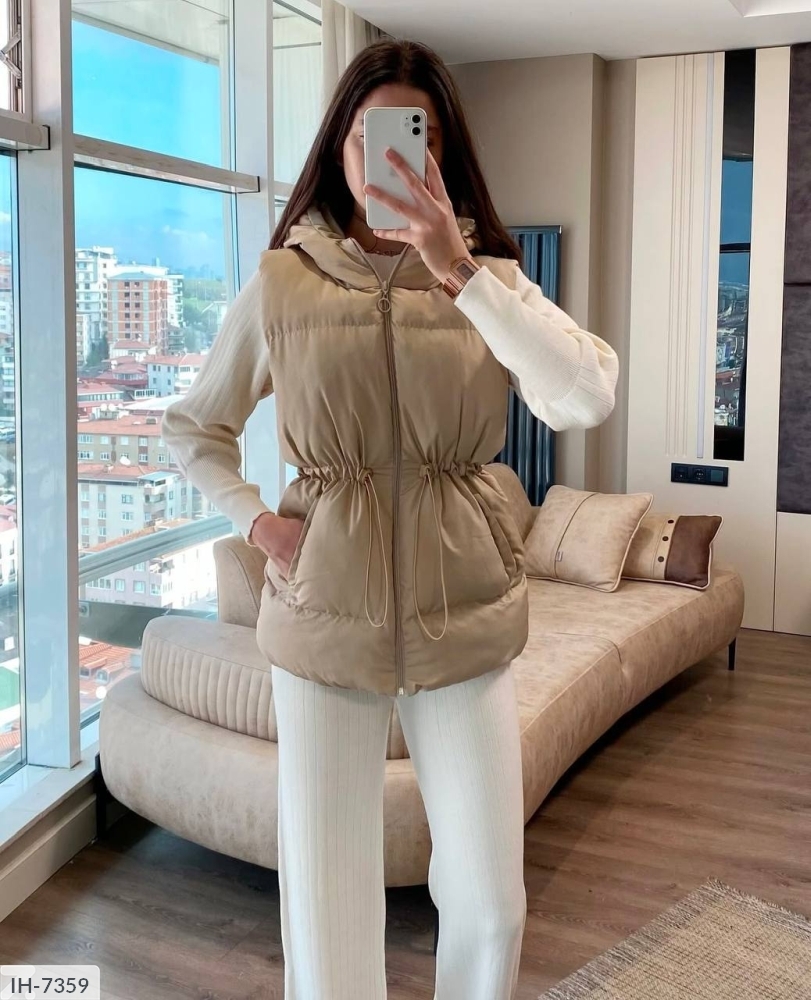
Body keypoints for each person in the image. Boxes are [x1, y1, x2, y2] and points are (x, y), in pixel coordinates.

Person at [162, 37, 619, 1000]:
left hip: (463, 614)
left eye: (419, 138)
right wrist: (259, 523)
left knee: (490, 904)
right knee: (327, 912)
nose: (395, 160)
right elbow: (194, 426)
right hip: (323, 613)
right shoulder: (282, 282)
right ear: (339, 149)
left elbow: (584, 397)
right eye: (369, 138)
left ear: (443, 154)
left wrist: (459, 269)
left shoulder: (488, 277)